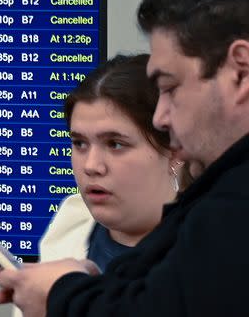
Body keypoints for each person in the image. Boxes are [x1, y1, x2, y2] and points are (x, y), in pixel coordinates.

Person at [0, 0, 249, 316]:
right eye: (78, 143)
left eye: (171, 87)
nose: (162, 118)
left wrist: (61, 297)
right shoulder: (73, 222)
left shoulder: (231, 210)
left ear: (240, 71)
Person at [12, 54, 187, 317]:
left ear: (175, 152)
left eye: (115, 144)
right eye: (80, 143)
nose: (91, 165)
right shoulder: (71, 219)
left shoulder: (214, 248)